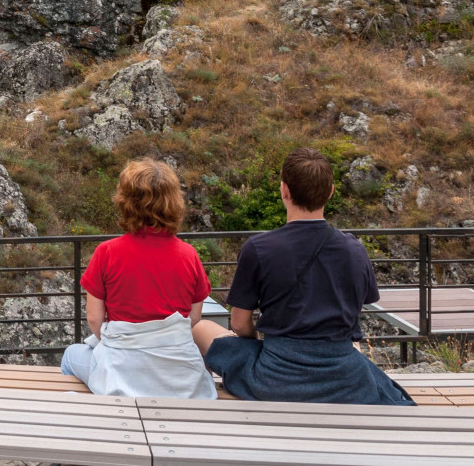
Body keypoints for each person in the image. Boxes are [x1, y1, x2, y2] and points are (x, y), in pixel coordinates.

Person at [192, 148, 414, 406]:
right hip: (346, 380)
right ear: (330, 192)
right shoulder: (355, 250)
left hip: (274, 380)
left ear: (284, 190)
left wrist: (254, 349)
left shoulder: (259, 248)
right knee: (353, 348)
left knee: (200, 327)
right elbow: (356, 311)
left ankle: (204, 401)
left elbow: (240, 325)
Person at [61, 159, 217, 399]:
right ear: (174, 201)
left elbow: (94, 319)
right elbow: (193, 319)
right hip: (177, 374)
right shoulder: (189, 255)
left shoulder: (107, 252)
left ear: (125, 201)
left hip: (122, 368)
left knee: (72, 354)